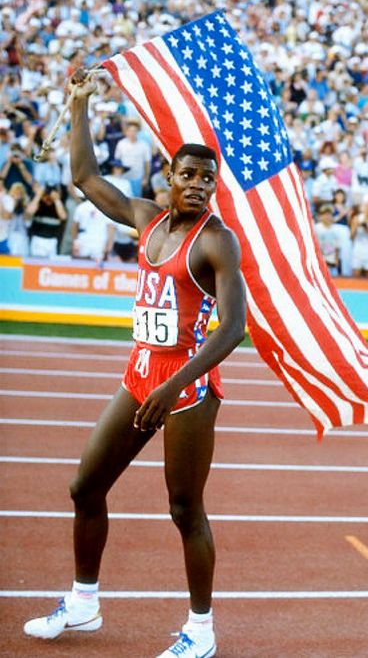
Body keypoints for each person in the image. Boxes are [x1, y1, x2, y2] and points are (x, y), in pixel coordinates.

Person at [23, 69, 247, 658]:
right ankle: (83, 603)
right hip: (140, 375)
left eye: (208, 178)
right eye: (188, 174)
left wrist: (175, 385)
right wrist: (77, 105)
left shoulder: (216, 240)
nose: (198, 184)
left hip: (190, 387)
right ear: (168, 178)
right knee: (85, 486)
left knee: (183, 507)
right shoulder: (147, 219)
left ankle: (201, 631)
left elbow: (233, 327)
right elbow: (84, 177)